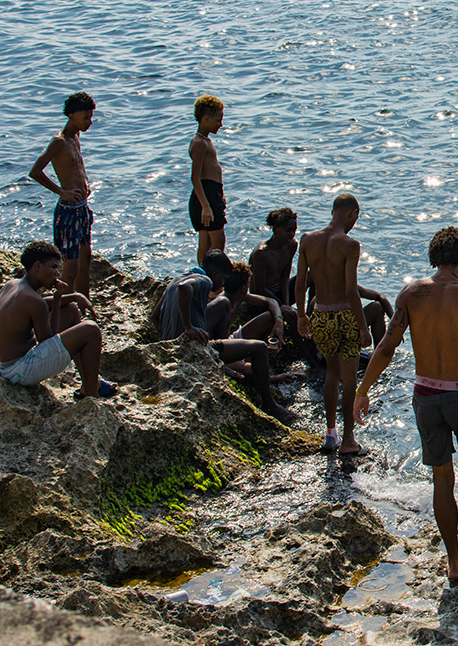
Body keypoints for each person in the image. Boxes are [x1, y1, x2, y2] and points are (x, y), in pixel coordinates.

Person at [354, 227, 458, 584]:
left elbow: (385, 347)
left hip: (424, 396)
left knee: (441, 476)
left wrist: (362, 390)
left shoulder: (412, 293)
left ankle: (454, 560)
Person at [155, 249, 296, 424]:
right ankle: (270, 405)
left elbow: (155, 316)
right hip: (189, 350)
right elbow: (186, 288)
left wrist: (169, 337)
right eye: (222, 279)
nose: (222, 284)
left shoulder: (176, 279)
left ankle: (221, 361)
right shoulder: (204, 280)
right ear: (214, 273)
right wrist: (188, 327)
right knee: (259, 347)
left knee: (222, 303)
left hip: (169, 347)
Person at [295, 193, 371, 455]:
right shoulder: (350, 245)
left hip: (320, 315)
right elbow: (351, 291)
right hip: (344, 316)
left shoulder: (307, 240)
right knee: (349, 380)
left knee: (331, 373)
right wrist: (363, 327)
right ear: (352, 214)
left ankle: (330, 435)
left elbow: (300, 283)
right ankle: (349, 441)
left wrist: (301, 315)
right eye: (355, 219)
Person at [0, 241, 115, 400]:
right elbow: (49, 340)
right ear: (37, 266)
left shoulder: (12, 285)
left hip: (3, 366)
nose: (57, 273)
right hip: (20, 371)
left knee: (70, 310)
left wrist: (74, 296)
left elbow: (39, 303)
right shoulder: (35, 302)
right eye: (54, 267)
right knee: (91, 330)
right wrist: (57, 301)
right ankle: (92, 397)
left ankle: (89, 383)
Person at [28, 92, 97, 299]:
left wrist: (85, 185)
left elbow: (75, 167)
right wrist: (62, 192)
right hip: (68, 212)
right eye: (85, 117)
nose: (89, 122)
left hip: (82, 208)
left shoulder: (76, 136)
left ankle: (84, 305)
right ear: (71, 115)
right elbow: (35, 171)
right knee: (71, 266)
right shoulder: (59, 141)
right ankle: (63, 309)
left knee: (86, 260)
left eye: (91, 117)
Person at [248, 209, 320, 367]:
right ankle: (311, 360)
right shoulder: (261, 253)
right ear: (275, 229)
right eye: (288, 231)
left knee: (313, 275)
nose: (292, 235)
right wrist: (282, 306)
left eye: (294, 231)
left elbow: (284, 278)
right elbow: (258, 289)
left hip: (280, 292)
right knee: (289, 313)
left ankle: (310, 320)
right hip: (263, 299)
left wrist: (287, 302)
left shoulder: (291, 246)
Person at [189, 95, 227, 265]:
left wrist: (221, 194)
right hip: (206, 195)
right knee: (217, 244)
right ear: (206, 119)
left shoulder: (205, 140)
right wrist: (206, 206)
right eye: (218, 120)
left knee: (205, 241)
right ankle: (211, 280)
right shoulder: (199, 143)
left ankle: (206, 279)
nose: (221, 124)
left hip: (211, 193)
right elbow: (195, 177)